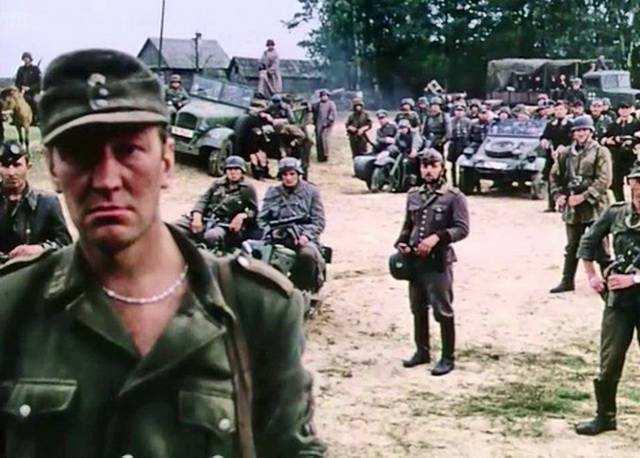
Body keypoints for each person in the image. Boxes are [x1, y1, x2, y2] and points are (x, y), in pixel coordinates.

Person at [0, 48, 326, 457]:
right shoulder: (13, 308)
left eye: (128, 150)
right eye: (80, 153)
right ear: (52, 168)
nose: (107, 179)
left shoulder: (255, 310)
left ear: (167, 160)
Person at [574, 161, 640, 436]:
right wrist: (592, 276)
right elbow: (588, 242)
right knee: (609, 360)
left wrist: (634, 279)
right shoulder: (616, 213)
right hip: (620, 303)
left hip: (633, 290)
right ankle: (605, 416)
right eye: (636, 182)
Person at [395, 150, 470, 375]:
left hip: (438, 262)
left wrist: (437, 237)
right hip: (414, 262)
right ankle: (422, 351)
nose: (428, 170)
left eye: (433, 166)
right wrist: (401, 242)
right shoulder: (413, 195)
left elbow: (462, 229)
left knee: (442, 310)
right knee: (417, 307)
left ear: (442, 168)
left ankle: (447, 358)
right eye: (424, 166)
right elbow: (408, 225)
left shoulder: (453, 196)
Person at [549, 115, 612, 293]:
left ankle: (610, 282)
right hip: (573, 207)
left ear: (591, 132)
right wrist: (558, 195)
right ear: (573, 133)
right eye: (578, 130)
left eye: (585, 130)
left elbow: (605, 180)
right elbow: (554, 176)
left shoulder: (601, 151)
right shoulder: (565, 153)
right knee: (572, 246)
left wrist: (584, 196)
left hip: (595, 206)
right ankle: (567, 281)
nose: (581, 133)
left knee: (601, 247)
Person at [259, 157, 326, 294]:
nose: (288, 178)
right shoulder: (273, 192)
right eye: (285, 174)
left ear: (298, 174)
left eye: (292, 174)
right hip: (277, 235)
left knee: (307, 255)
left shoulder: (311, 191)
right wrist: (270, 232)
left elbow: (319, 221)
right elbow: (262, 219)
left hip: (301, 236)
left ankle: (304, 289)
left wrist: (306, 236)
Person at [0, 140, 71, 262]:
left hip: (35, 270)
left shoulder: (47, 202)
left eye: (17, 165)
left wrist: (39, 249)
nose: (11, 172)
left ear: (28, 167)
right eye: (5, 166)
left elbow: (65, 243)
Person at [179, 155, 259, 251]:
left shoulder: (247, 188)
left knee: (211, 236)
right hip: (206, 218)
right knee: (176, 226)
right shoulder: (218, 183)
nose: (233, 172)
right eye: (230, 169)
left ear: (242, 171)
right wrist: (197, 215)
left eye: (236, 169)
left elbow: (254, 211)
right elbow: (203, 200)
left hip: (224, 225)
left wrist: (242, 216)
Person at [602, 102, 640, 202]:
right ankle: (620, 202)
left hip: (632, 158)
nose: (624, 111)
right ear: (618, 111)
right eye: (622, 108)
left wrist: (634, 140)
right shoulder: (613, 125)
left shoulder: (636, 123)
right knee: (616, 182)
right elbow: (603, 138)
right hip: (617, 157)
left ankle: (635, 202)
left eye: (626, 108)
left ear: (630, 109)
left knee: (634, 182)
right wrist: (609, 140)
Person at [540, 100, 573, 212]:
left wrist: (564, 148)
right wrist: (544, 141)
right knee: (552, 179)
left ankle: (564, 204)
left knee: (565, 180)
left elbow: (573, 140)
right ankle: (551, 204)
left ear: (566, 110)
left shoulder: (570, 125)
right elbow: (544, 136)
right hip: (552, 156)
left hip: (566, 157)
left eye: (561, 109)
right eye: (557, 109)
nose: (559, 112)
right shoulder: (550, 124)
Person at [448, 104, 472, 187]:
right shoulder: (451, 121)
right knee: (453, 164)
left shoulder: (468, 121)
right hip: (454, 143)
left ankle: (464, 183)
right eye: (457, 110)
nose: (459, 112)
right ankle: (454, 182)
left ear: (464, 112)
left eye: (461, 111)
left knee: (464, 164)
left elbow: (470, 133)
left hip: (464, 143)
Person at [14, 51, 41, 123]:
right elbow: (17, 82)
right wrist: (21, 88)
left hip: (34, 92)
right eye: (24, 58)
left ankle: (36, 119)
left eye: (27, 58)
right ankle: (15, 119)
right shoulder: (20, 69)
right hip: (22, 92)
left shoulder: (36, 69)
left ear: (30, 59)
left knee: (36, 102)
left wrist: (29, 88)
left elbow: (40, 83)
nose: (25, 59)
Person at [312, 89, 337, 162]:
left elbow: (333, 114)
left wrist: (328, 122)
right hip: (318, 124)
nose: (324, 97)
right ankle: (320, 157)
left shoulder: (331, 104)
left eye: (325, 95)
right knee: (318, 140)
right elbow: (312, 108)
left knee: (324, 139)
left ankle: (326, 155)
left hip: (327, 125)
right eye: (322, 96)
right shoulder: (317, 104)